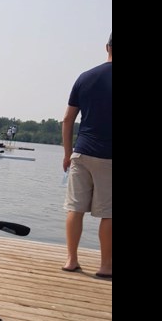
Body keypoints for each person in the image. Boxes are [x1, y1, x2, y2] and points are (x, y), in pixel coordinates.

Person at [62, 32, 112, 279]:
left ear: (107, 47)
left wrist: (67, 153)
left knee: (75, 208)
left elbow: (68, 119)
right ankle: (105, 266)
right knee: (109, 213)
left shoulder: (86, 77)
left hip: (81, 152)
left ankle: (71, 260)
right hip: (109, 157)